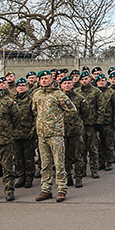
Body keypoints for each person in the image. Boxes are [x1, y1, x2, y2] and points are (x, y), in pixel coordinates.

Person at [32, 70, 76, 202]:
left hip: (55, 134)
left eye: (46, 78)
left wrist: (59, 122)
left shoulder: (58, 94)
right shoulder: (36, 95)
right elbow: (34, 110)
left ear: (52, 79)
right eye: (42, 79)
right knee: (44, 164)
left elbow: (72, 110)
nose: (44, 80)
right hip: (42, 134)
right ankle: (46, 189)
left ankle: (62, 189)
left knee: (59, 163)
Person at [61, 76, 88, 189]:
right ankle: (68, 178)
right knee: (65, 157)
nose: (67, 85)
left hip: (76, 132)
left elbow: (86, 113)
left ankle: (78, 177)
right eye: (65, 83)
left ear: (72, 84)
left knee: (78, 156)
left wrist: (79, 125)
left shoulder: (79, 98)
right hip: (62, 132)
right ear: (61, 85)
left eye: (69, 83)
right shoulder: (58, 98)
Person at [77, 71, 103, 178]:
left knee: (93, 149)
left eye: (86, 79)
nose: (84, 81)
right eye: (82, 79)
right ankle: (82, 170)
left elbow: (101, 108)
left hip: (92, 124)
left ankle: (94, 169)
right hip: (80, 125)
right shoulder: (77, 92)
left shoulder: (96, 92)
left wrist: (98, 122)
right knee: (80, 150)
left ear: (90, 79)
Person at [12, 78, 37, 190]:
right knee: (18, 157)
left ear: (27, 87)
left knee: (28, 157)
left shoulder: (31, 99)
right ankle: (21, 176)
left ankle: (29, 177)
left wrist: (33, 130)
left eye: (23, 85)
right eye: (19, 85)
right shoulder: (11, 100)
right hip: (15, 133)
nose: (21, 87)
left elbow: (36, 115)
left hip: (27, 133)